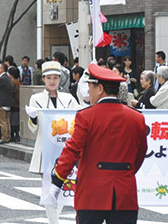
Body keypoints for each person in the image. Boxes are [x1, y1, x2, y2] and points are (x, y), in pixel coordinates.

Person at [49, 64, 148, 224]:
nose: (88, 91)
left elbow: (72, 150)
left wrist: (57, 181)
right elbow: (140, 153)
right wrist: (125, 173)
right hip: (125, 192)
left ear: (100, 88)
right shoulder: (137, 118)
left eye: (90, 86)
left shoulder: (86, 116)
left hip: (92, 193)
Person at [25, 61, 78, 224]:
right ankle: (53, 221)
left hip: (65, 149)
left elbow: (78, 119)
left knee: (63, 186)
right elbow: (33, 128)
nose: (53, 81)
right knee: (49, 186)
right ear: (43, 79)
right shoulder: (36, 98)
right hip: (45, 150)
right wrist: (33, 117)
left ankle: (55, 219)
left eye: (56, 77)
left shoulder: (68, 99)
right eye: (49, 78)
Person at [0, 63, 13, 144]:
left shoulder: (1, 79)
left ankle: (4, 137)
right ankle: (8, 136)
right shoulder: (8, 78)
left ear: (2, 69)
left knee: (2, 121)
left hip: (1, 102)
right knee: (7, 121)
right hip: (8, 102)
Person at [7, 66, 20, 142]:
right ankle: (16, 135)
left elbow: (11, 92)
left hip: (13, 103)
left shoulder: (13, 82)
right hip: (17, 103)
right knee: (16, 120)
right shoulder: (18, 81)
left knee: (13, 121)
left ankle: (13, 136)